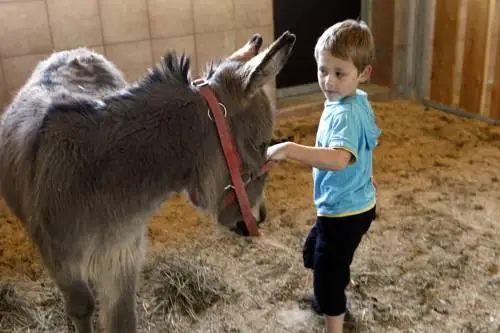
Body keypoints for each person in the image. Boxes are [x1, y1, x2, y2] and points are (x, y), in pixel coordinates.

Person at [266, 19, 381, 333]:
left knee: (328, 273)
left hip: (345, 212)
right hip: (349, 204)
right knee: (315, 251)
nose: (328, 81)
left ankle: (332, 318)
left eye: (339, 73)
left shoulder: (345, 113)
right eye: (322, 70)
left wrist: (290, 149)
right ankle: (328, 288)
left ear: (364, 73)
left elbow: (339, 159)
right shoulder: (348, 100)